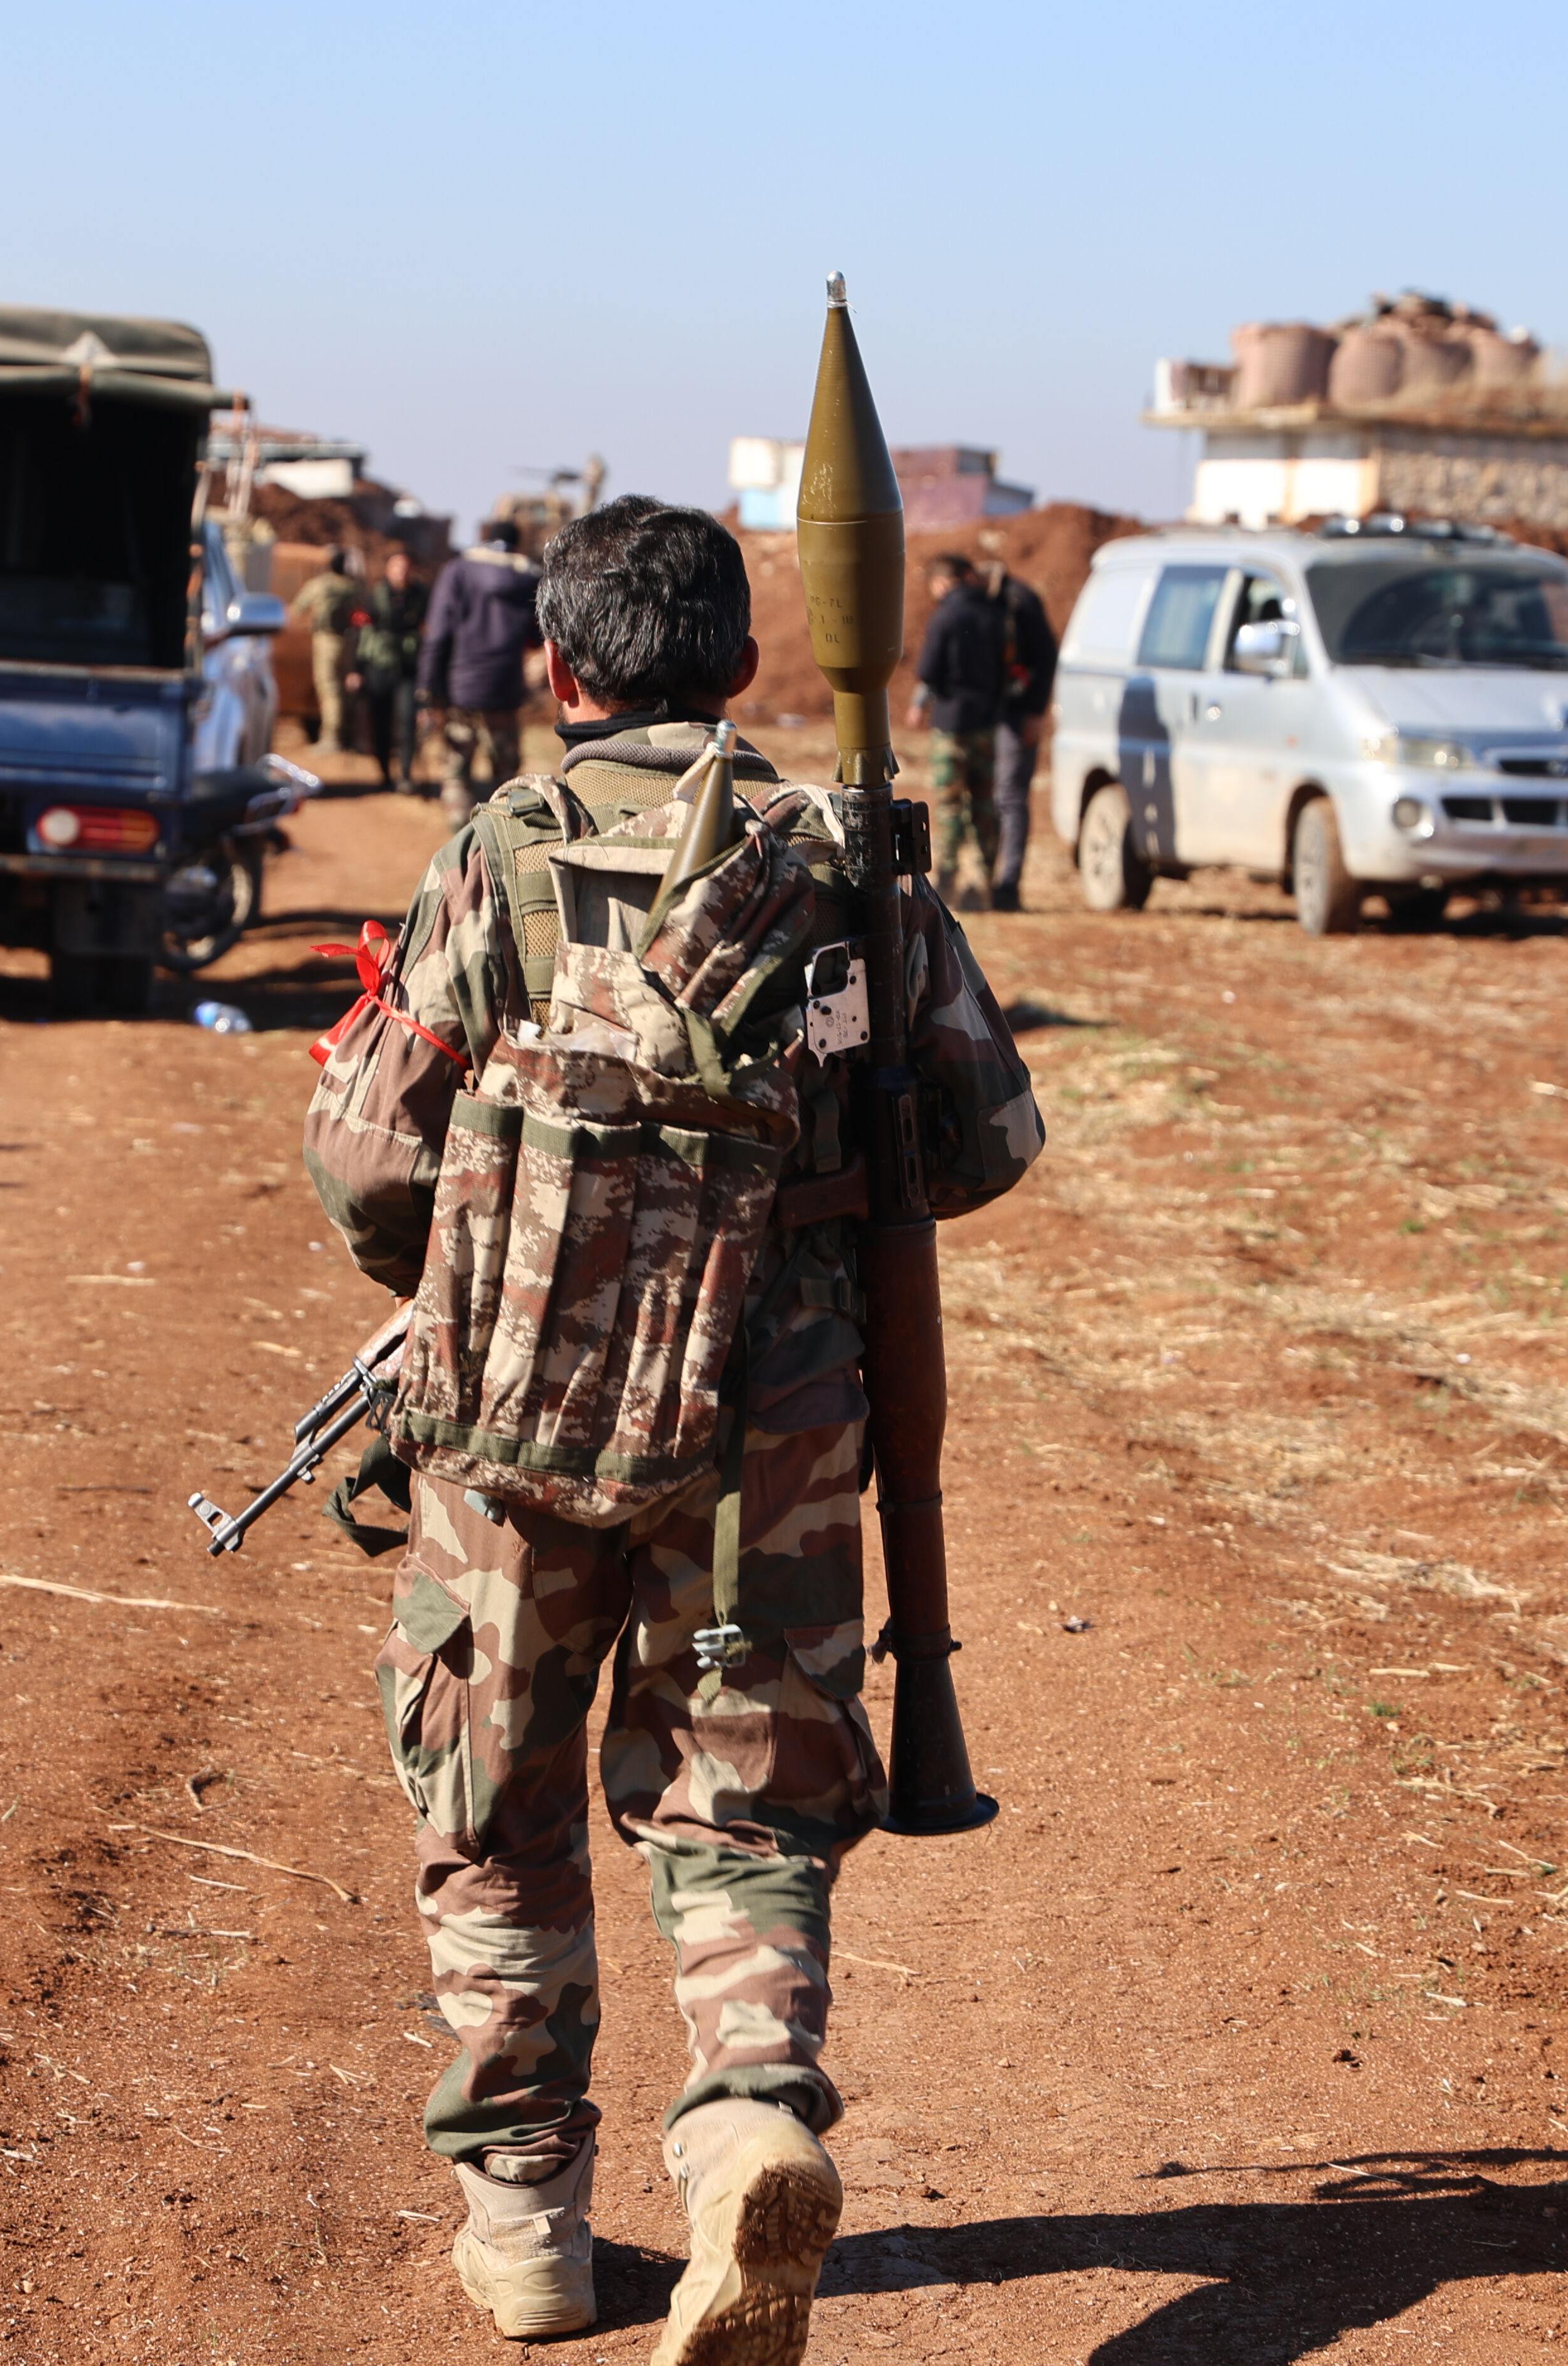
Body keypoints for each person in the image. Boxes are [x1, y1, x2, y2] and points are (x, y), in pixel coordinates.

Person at [303, 496, 1042, 2360]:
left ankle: (527, 2228)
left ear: (556, 670)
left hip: (508, 1424)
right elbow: (976, 1146)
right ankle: (747, 2127)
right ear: (736, 666)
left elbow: (372, 1167)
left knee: (496, 1795)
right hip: (769, 1437)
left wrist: (510, 1250)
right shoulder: (834, 864)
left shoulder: (494, 853)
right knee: (741, 1797)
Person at [417, 515, 542, 827]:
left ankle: (460, 829)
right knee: (505, 770)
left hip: (461, 690)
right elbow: (537, 637)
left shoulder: (459, 572)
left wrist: (429, 689)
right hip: (505, 688)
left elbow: (438, 635)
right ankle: (505, 830)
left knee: (457, 765)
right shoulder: (530, 579)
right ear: (516, 544)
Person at [903, 553, 1006, 907]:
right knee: (984, 806)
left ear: (943, 583)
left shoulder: (945, 615)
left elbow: (930, 670)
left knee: (949, 805)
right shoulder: (995, 615)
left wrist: (918, 705)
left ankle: (946, 880)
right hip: (988, 726)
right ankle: (982, 883)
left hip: (951, 726)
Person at [981, 555, 1057, 911]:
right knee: (995, 798)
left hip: (1018, 713)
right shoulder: (993, 602)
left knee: (1010, 796)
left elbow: (1046, 656)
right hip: (995, 715)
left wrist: (1034, 712)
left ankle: (1008, 886)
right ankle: (989, 882)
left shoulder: (1018, 602)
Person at [336, 544, 426, 789]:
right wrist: (355, 669)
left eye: (406, 568)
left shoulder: (421, 597)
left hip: (408, 667)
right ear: (388, 569)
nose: (401, 573)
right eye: (396, 567)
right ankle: (385, 774)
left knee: (407, 721)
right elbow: (359, 633)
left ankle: (405, 776)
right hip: (378, 667)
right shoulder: (373, 596)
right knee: (380, 723)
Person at [282, 551, 361, 753]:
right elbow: (363, 616)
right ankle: (351, 737)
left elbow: (297, 609)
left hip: (326, 642)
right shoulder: (353, 588)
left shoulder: (320, 585)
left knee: (330, 691)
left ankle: (332, 739)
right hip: (350, 643)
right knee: (346, 692)